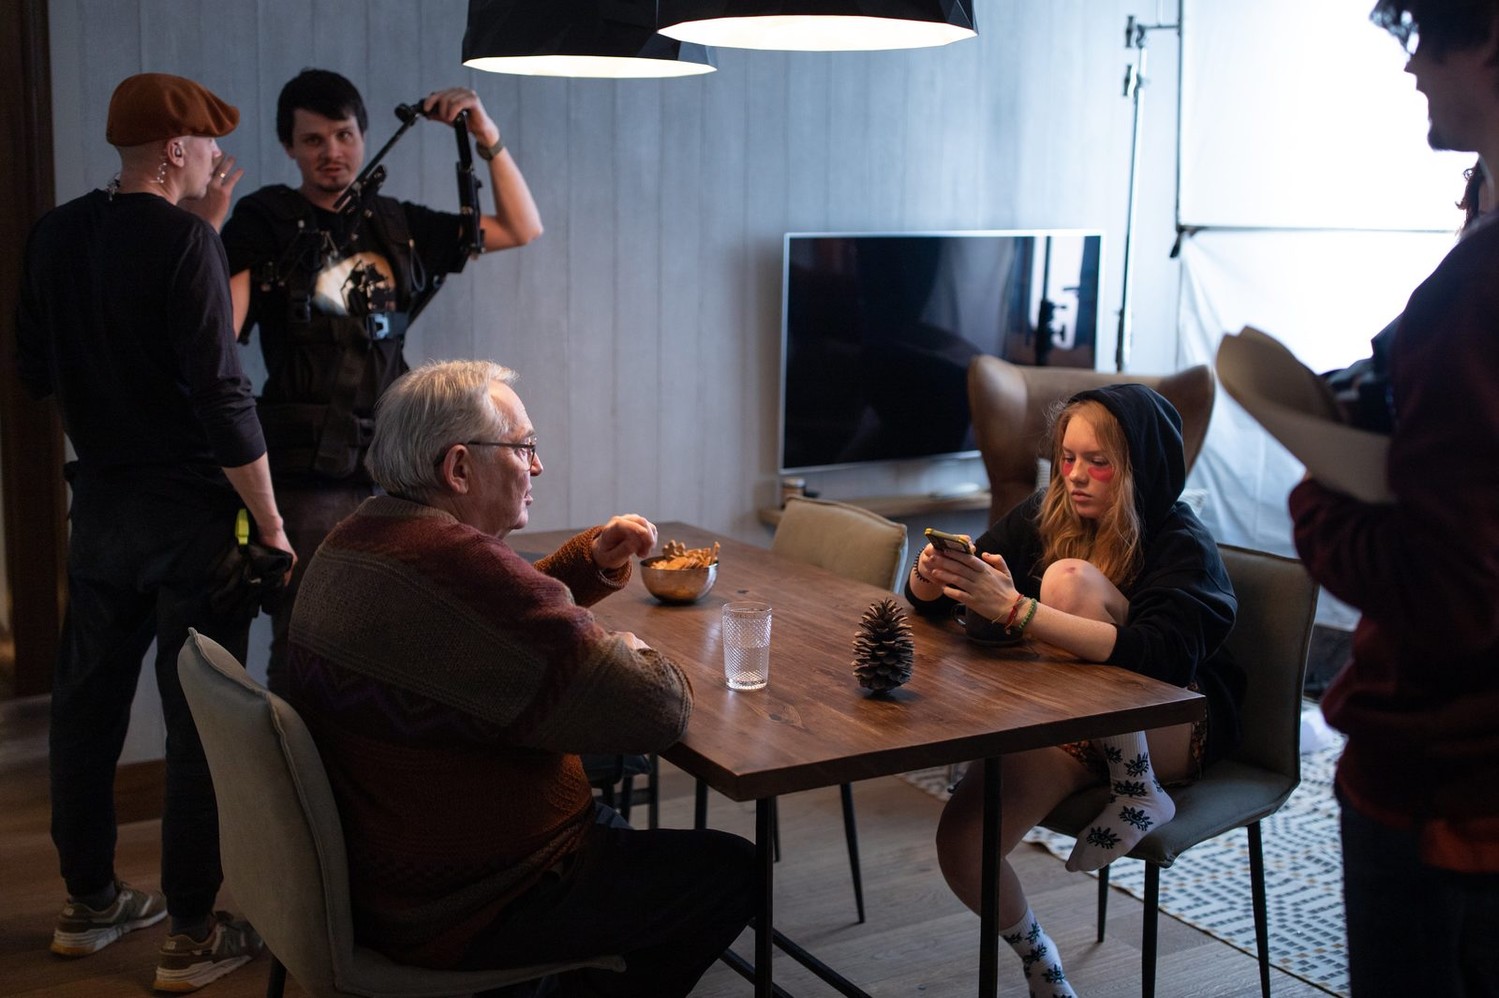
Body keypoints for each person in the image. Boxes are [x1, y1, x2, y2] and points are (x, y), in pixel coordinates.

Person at [283, 359, 754, 996]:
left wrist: (587, 565)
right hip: (474, 900)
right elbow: (656, 709)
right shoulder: (464, 568)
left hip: (389, 870)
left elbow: (482, 636)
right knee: (735, 871)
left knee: (620, 809)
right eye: (524, 447)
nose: (538, 466)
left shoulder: (359, 537)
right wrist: (633, 649)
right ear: (458, 468)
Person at [16, 72, 294, 992]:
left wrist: (197, 237)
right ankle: (191, 933)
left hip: (100, 514)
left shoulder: (56, 233)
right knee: (200, 724)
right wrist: (272, 524)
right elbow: (223, 397)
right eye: (207, 144)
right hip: (192, 525)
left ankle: (90, 903)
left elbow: (34, 368)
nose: (217, 158)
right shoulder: (185, 243)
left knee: (85, 711)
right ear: (177, 149)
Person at [1289, 2, 1499, 993]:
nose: (1411, 66)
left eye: (1425, 34)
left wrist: (1319, 490)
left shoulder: (1477, 291)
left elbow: (1445, 589)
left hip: (1441, 786)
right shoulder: (1477, 232)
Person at [908, 384, 1241, 998]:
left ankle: (1137, 786)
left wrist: (1018, 610)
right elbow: (944, 601)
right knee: (963, 843)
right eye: (1067, 457)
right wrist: (931, 577)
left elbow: (1163, 659)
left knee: (1068, 582)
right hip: (1067, 719)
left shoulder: (1180, 541)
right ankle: (1041, 961)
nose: (1076, 476)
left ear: (1138, 467)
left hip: (1167, 720)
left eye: (1098, 462)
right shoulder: (1049, 509)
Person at [219, 68, 544, 693]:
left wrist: (486, 133)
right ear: (289, 147)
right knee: (306, 631)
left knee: (407, 625)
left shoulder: (396, 225)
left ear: (364, 136)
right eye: (313, 140)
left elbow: (520, 226)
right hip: (306, 476)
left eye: (344, 135)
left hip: (400, 465)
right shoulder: (265, 223)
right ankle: (294, 754)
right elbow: (219, 340)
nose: (332, 152)